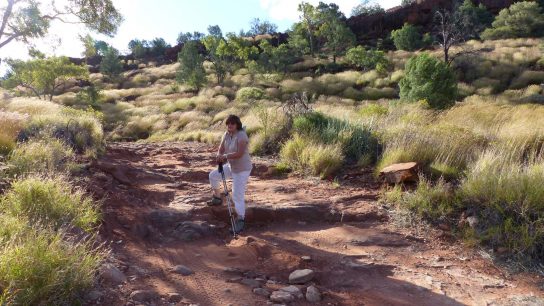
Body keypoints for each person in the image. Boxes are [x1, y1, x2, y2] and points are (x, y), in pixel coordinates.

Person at [208, 114, 252, 234]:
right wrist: (219, 155)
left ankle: (241, 220)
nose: (230, 125)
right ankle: (217, 198)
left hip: (242, 169)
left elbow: (239, 153)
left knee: (237, 195)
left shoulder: (242, 135)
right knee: (213, 176)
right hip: (232, 166)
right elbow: (221, 148)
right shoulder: (227, 134)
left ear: (237, 124)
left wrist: (225, 156)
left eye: (232, 123)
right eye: (228, 124)